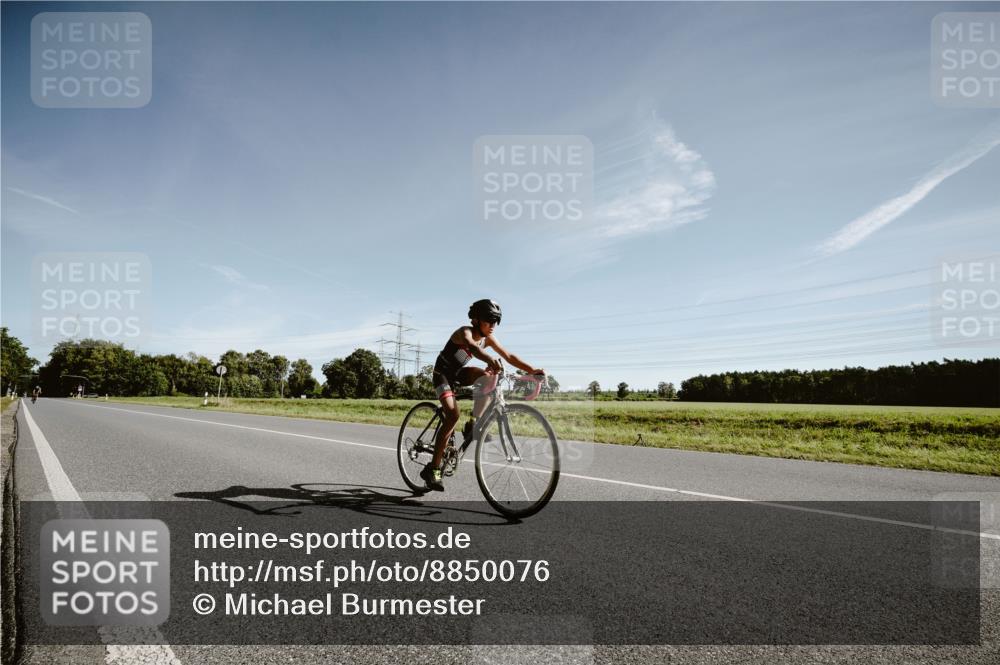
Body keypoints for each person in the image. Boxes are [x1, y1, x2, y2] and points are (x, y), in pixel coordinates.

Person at [420, 299, 544, 492]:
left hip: (460, 373)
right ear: (476, 320)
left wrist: (533, 370)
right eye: (489, 320)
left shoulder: (489, 338)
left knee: (488, 377)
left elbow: (509, 356)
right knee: (452, 415)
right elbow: (473, 348)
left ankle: (474, 423)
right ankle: (433, 469)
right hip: (442, 375)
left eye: (496, 321)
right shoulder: (465, 332)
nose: (493, 325)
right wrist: (490, 359)